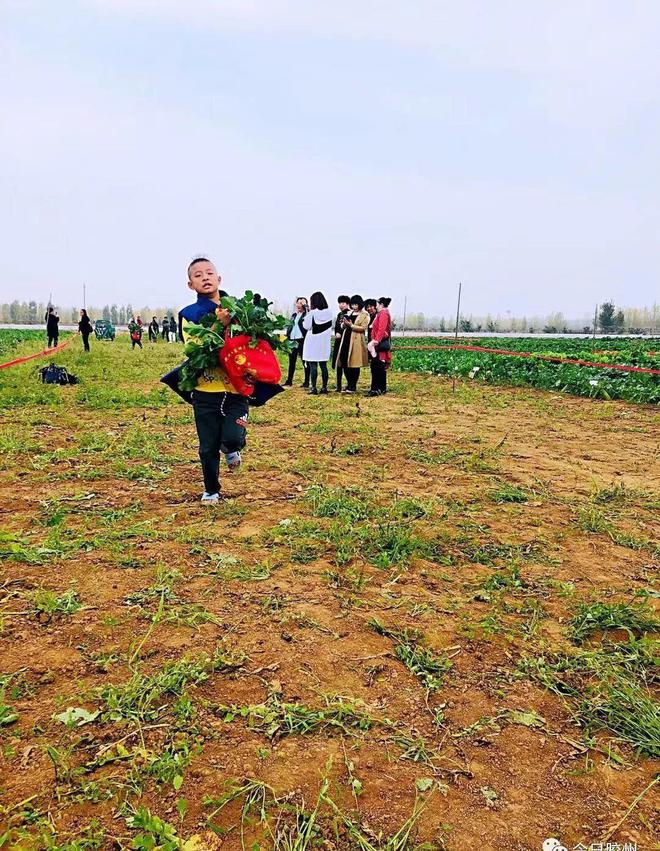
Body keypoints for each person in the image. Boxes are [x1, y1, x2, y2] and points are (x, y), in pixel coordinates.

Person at [179, 256, 247, 503]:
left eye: (209, 273)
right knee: (207, 446)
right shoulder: (189, 315)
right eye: (198, 275)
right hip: (205, 391)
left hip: (236, 390)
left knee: (232, 436)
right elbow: (196, 352)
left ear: (219, 278)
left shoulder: (241, 310)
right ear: (190, 285)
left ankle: (231, 448)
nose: (205, 277)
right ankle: (211, 489)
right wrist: (218, 327)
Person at [336, 295, 369, 393]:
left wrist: (352, 325)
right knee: (345, 362)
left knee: (354, 363)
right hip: (346, 339)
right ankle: (349, 383)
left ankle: (353, 385)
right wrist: (344, 324)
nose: (354, 307)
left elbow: (363, 328)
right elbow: (342, 325)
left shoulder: (365, 315)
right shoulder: (349, 313)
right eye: (353, 305)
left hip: (356, 340)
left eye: (356, 305)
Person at [302, 292, 333, 395]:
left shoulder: (312, 313)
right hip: (324, 342)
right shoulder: (329, 312)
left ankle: (314, 388)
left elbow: (307, 326)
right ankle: (324, 387)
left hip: (313, 341)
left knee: (313, 365)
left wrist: (307, 314)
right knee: (323, 365)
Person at [367, 297, 393, 396]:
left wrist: (376, 341)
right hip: (378, 343)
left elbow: (381, 329)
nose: (376, 306)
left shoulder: (383, 313)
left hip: (379, 344)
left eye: (377, 304)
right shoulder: (381, 313)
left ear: (381, 304)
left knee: (378, 366)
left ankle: (378, 388)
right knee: (377, 366)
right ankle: (378, 388)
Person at [284, 297, 311, 388]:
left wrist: (306, 305)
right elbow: (289, 326)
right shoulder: (294, 315)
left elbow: (308, 316)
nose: (299, 305)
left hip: (302, 341)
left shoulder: (306, 315)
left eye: (301, 303)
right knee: (292, 361)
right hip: (292, 340)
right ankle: (289, 381)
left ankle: (307, 382)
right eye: (298, 303)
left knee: (305, 362)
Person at [332, 295, 350, 392]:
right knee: (338, 364)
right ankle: (338, 386)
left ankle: (349, 384)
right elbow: (336, 327)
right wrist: (337, 333)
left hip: (346, 343)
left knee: (345, 364)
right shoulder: (339, 314)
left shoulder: (350, 313)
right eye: (340, 303)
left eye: (343, 303)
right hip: (338, 341)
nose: (341, 305)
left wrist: (341, 333)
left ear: (347, 304)